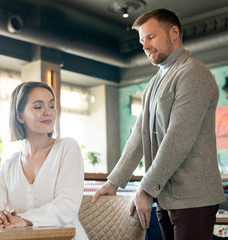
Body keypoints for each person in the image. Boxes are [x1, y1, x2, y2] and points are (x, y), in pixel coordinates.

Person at [92, 8, 225, 240]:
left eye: (151, 37)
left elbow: (178, 138)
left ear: (174, 32)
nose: (145, 46)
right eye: (142, 41)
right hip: (166, 196)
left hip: (194, 198)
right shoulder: (154, 83)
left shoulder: (194, 73)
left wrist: (144, 188)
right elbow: (138, 136)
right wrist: (113, 182)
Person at [0, 81, 88, 240]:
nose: (48, 112)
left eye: (51, 105)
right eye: (38, 107)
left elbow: (67, 206)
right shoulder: (9, 164)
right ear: (20, 116)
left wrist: (22, 219)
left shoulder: (67, 147)